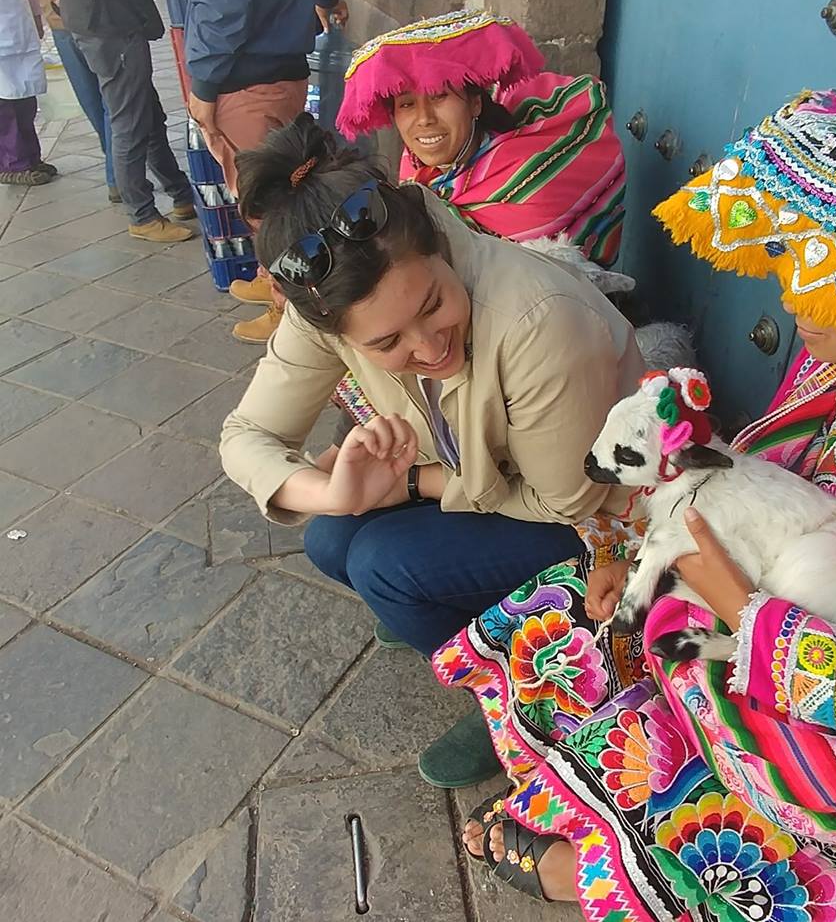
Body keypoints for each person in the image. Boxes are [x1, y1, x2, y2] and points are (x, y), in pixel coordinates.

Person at [439, 90, 836, 915]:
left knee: (718, 746)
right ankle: (580, 772)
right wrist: (630, 541)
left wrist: (749, 617)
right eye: (790, 258)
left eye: (825, 274)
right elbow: (748, 477)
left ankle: (607, 851)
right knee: (596, 598)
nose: (791, 299)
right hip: (764, 583)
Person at [219, 113, 645, 788]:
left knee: (387, 565)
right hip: (498, 482)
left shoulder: (539, 320)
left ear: (438, 243)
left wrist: (411, 485)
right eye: (386, 345)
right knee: (331, 535)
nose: (426, 347)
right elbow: (246, 437)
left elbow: (568, 498)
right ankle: (467, 623)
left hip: (604, 525)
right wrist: (333, 493)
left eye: (434, 303)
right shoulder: (326, 301)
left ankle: (521, 693)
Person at [233, 9, 627, 344]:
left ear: (474, 102)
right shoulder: (417, 171)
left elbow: (522, 292)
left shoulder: (531, 175)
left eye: (439, 96)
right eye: (406, 104)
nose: (423, 120)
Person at [187, 0, 345, 345]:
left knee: (270, 203)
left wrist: (205, 85)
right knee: (281, 189)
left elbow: (223, 5)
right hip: (279, 63)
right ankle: (277, 279)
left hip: (243, 72)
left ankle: (291, 306)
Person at [49, 0, 195, 242]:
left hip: (103, 17)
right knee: (129, 123)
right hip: (107, 25)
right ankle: (142, 216)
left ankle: (180, 194)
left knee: (148, 115)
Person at [9, 0, 117, 200]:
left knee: (111, 102)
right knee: (105, 103)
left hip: (100, 8)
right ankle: (119, 175)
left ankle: (119, 173)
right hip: (66, 15)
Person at [0, 0, 57, 185]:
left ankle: (31, 158)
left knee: (25, 100)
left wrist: (36, 16)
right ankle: (12, 163)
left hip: (17, 33)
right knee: (5, 107)